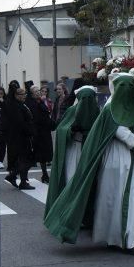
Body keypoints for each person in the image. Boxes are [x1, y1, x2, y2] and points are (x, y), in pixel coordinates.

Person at [44, 74, 134, 254]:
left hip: (126, 159)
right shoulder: (111, 108)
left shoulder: (128, 106)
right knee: (120, 198)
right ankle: (123, 241)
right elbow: (121, 132)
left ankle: (121, 238)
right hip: (120, 157)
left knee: (122, 198)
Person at [44, 85, 100, 217]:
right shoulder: (71, 111)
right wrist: (72, 130)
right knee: (71, 180)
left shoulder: (97, 112)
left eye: (89, 98)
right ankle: (68, 213)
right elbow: (61, 129)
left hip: (88, 151)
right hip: (74, 150)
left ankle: (85, 215)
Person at [4, 85, 35, 190]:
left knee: (24, 160)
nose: (24, 96)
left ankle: (22, 180)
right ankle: (13, 176)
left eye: (25, 94)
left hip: (22, 136)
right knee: (27, 160)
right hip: (20, 137)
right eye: (22, 94)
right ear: (16, 95)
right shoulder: (16, 106)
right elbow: (20, 122)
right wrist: (30, 130)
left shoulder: (21, 104)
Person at [27, 84, 55, 184]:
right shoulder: (32, 103)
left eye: (39, 91)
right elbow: (38, 117)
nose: (39, 92)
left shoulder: (40, 101)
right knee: (36, 155)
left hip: (44, 131)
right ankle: (16, 174)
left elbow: (47, 113)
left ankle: (45, 175)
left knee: (43, 155)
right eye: (36, 92)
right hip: (38, 132)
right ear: (32, 94)